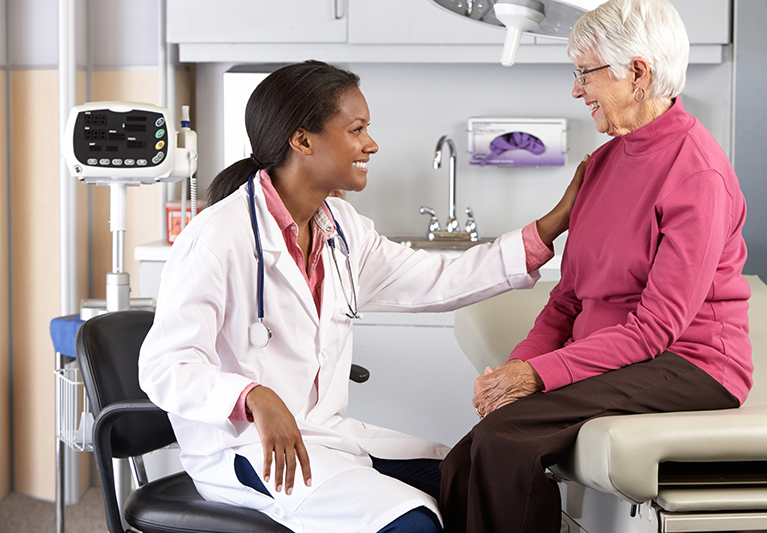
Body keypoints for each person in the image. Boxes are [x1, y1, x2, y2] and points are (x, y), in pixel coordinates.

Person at [139, 60, 585, 533]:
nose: (370, 144)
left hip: (326, 437)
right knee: (413, 524)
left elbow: (441, 278)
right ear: (302, 140)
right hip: (248, 448)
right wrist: (254, 396)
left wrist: (553, 223)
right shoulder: (218, 236)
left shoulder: (341, 229)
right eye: (356, 129)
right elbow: (165, 366)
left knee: (478, 482)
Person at [438, 1, 751, 532]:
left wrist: (536, 375)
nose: (577, 90)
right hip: (617, 356)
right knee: (460, 461)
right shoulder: (604, 162)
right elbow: (567, 299)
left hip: (690, 364)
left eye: (584, 73)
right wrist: (518, 369)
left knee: (506, 442)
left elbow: (656, 329)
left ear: (637, 73)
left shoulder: (697, 173)